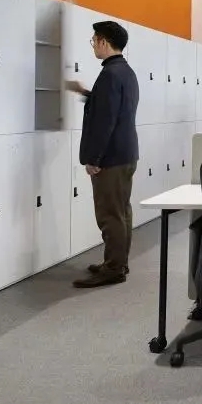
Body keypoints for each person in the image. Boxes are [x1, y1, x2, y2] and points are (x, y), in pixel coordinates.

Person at [65, 21, 140, 288]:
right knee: (122, 212)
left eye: (94, 41)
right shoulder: (125, 71)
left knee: (110, 216)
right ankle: (117, 262)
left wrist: (93, 159)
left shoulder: (109, 74)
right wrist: (85, 92)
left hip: (111, 158)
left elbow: (104, 121)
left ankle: (114, 269)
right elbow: (111, 106)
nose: (93, 46)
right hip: (126, 153)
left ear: (104, 42)